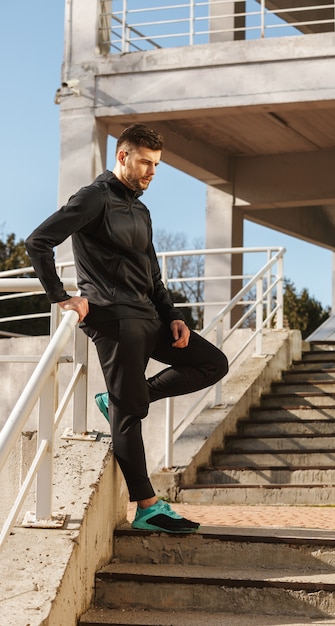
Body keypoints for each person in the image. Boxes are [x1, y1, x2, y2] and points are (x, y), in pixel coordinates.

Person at [25, 123, 228, 534]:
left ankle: (119, 400)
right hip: (114, 318)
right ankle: (147, 506)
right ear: (123, 156)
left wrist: (172, 315)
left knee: (213, 363)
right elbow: (38, 241)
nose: (152, 171)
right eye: (145, 162)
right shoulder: (94, 198)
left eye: (156, 165)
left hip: (149, 315)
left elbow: (152, 273)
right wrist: (60, 297)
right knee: (130, 412)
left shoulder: (140, 208)